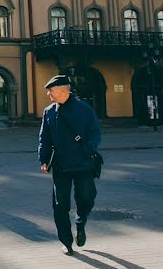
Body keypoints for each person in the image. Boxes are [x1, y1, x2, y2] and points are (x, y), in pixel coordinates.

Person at [38, 75, 101, 256]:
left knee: (86, 198)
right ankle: (66, 241)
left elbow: (94, 132)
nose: (49, 94)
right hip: (61, 165)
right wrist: (43, 159)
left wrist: (89, 148)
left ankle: (80, 224)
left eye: (51, 90)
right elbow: (44, 138)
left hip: (83, 164)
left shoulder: (84, 109)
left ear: (63, 90)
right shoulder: (49, 111)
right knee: (60, 205)